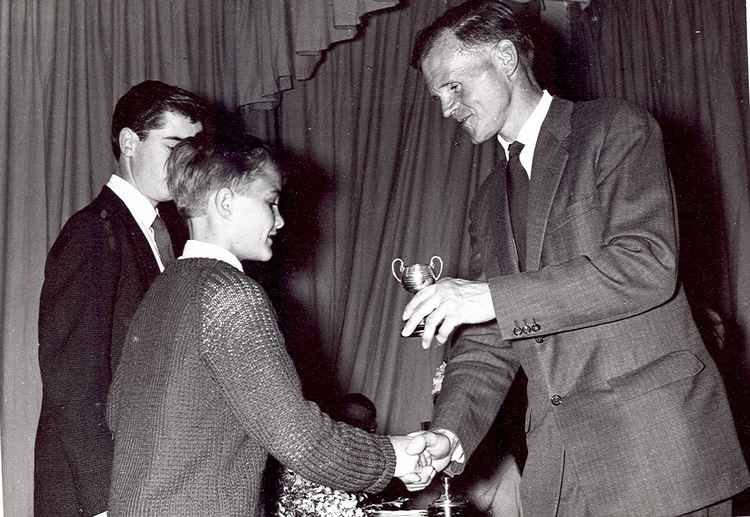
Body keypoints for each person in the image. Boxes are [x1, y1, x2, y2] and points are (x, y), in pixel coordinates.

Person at [400, 1, 750, 515]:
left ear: (504, 56)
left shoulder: (613, 128)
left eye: (454, 86)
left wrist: (488, 294)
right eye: (438, 96)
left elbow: (646, 265)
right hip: (558, 470)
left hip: (656, 457)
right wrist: (452, 432)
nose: (447, 108)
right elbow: (493, 332)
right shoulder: (486, 200)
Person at [106, 133, 430, 516]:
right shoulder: (230, 294)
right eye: (270, 202)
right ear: (225, 203)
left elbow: (115, 412)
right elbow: (299, 437)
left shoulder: (163, 290)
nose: (280, 220)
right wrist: (396, 456)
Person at [35, 80, 209, 516]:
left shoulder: (162, 234)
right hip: (104, 496)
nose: (188, 162)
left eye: (194, 149)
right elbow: (74, 383)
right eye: (174, 146)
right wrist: (106, 504)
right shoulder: (93, 232)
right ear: (130, 143)